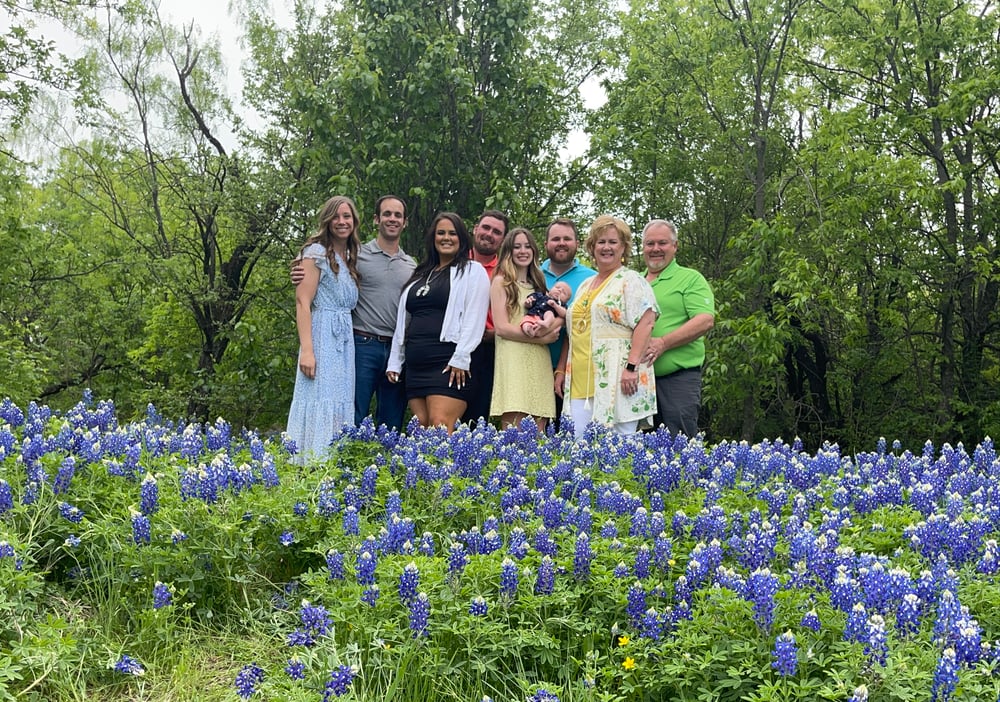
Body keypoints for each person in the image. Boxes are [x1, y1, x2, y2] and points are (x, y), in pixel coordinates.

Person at [292, 196, 416, 430]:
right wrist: (299, 274)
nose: (392, 219)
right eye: (387, 214)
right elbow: (307, 295)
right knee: (352, 415)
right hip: (360, 343)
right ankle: (341, 461)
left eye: (397, 215)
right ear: (376, 219)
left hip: (395, 350)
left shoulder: (410, 265)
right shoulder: (357, 254)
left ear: (405, 222)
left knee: (391, 420)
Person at [555, 215, 658, 439]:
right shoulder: (585, 285)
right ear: (592, 247)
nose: (606, 247)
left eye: (613, 242)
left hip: (619, 376)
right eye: (601, 242)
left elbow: (646, 321)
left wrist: (631, 368)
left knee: (619, 447)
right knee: (579, 446)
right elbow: (573, 331)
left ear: (624, 248)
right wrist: (562, 370)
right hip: (581, 379)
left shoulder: (631, 279)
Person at [386, 212, 490, 431]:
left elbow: (475, 316)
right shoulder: (420, 273)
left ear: (462, 238)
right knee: (422, 428)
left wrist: (461, 356)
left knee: (441, 425)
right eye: (441, 233)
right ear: (433, 238)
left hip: (448, 362)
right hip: (416, 365)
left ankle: (451, 467)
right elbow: (402, 322)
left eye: (452, 233)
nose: (446, 238)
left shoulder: (472, 271)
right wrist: (396, 361)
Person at [286, 195, 361, 463]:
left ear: (354, 221)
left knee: (338, 400)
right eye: (336, 217)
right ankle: (310, 463)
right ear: (327, 220)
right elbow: (302, 302)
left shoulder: (349, 256)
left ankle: (331, 464)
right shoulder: (315, 252)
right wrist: (307, 350)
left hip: (343, 342)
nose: (342, 222)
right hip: (321, 336)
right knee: (320, 398)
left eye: (347, 216)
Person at [638, 219, 715, 437]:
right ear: (642, 247)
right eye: (649, 244)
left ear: (675, 246)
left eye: (662, 243)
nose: (655, 249)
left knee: (678, 448)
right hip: (638, 381)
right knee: (639, 451)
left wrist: (663, 343)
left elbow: (705, 320)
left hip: (677, 379)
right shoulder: (634, 281)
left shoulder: (690, 278)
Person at [489, 228, 564, 430]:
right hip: (513, 359)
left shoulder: (538, 284)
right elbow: (502, 328)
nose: (523, 251)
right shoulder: (501, 282)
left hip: (539, 359)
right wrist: (541, 339)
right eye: (517, 247)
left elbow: (558, 317)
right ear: (508, 252)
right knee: (514, 427)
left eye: (527, 246)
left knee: (539, 432)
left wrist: (550, 330)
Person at [541, 218, 596, 422]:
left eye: (567, 238)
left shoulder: (593, 278)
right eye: (555, 239)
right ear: (546, 244)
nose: (561, 243)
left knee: (574, 436)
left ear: (577, 244)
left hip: (578, 372)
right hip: (535, 365)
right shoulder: (532, 274)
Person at [462, 210, 509, 426]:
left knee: (477, 416)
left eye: (497, 232)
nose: (489, 234)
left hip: (488, 348)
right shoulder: (456, 261)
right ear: (475, 229)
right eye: (486, 228)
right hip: (452, 346)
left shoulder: (506, 272)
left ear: (502, 239)